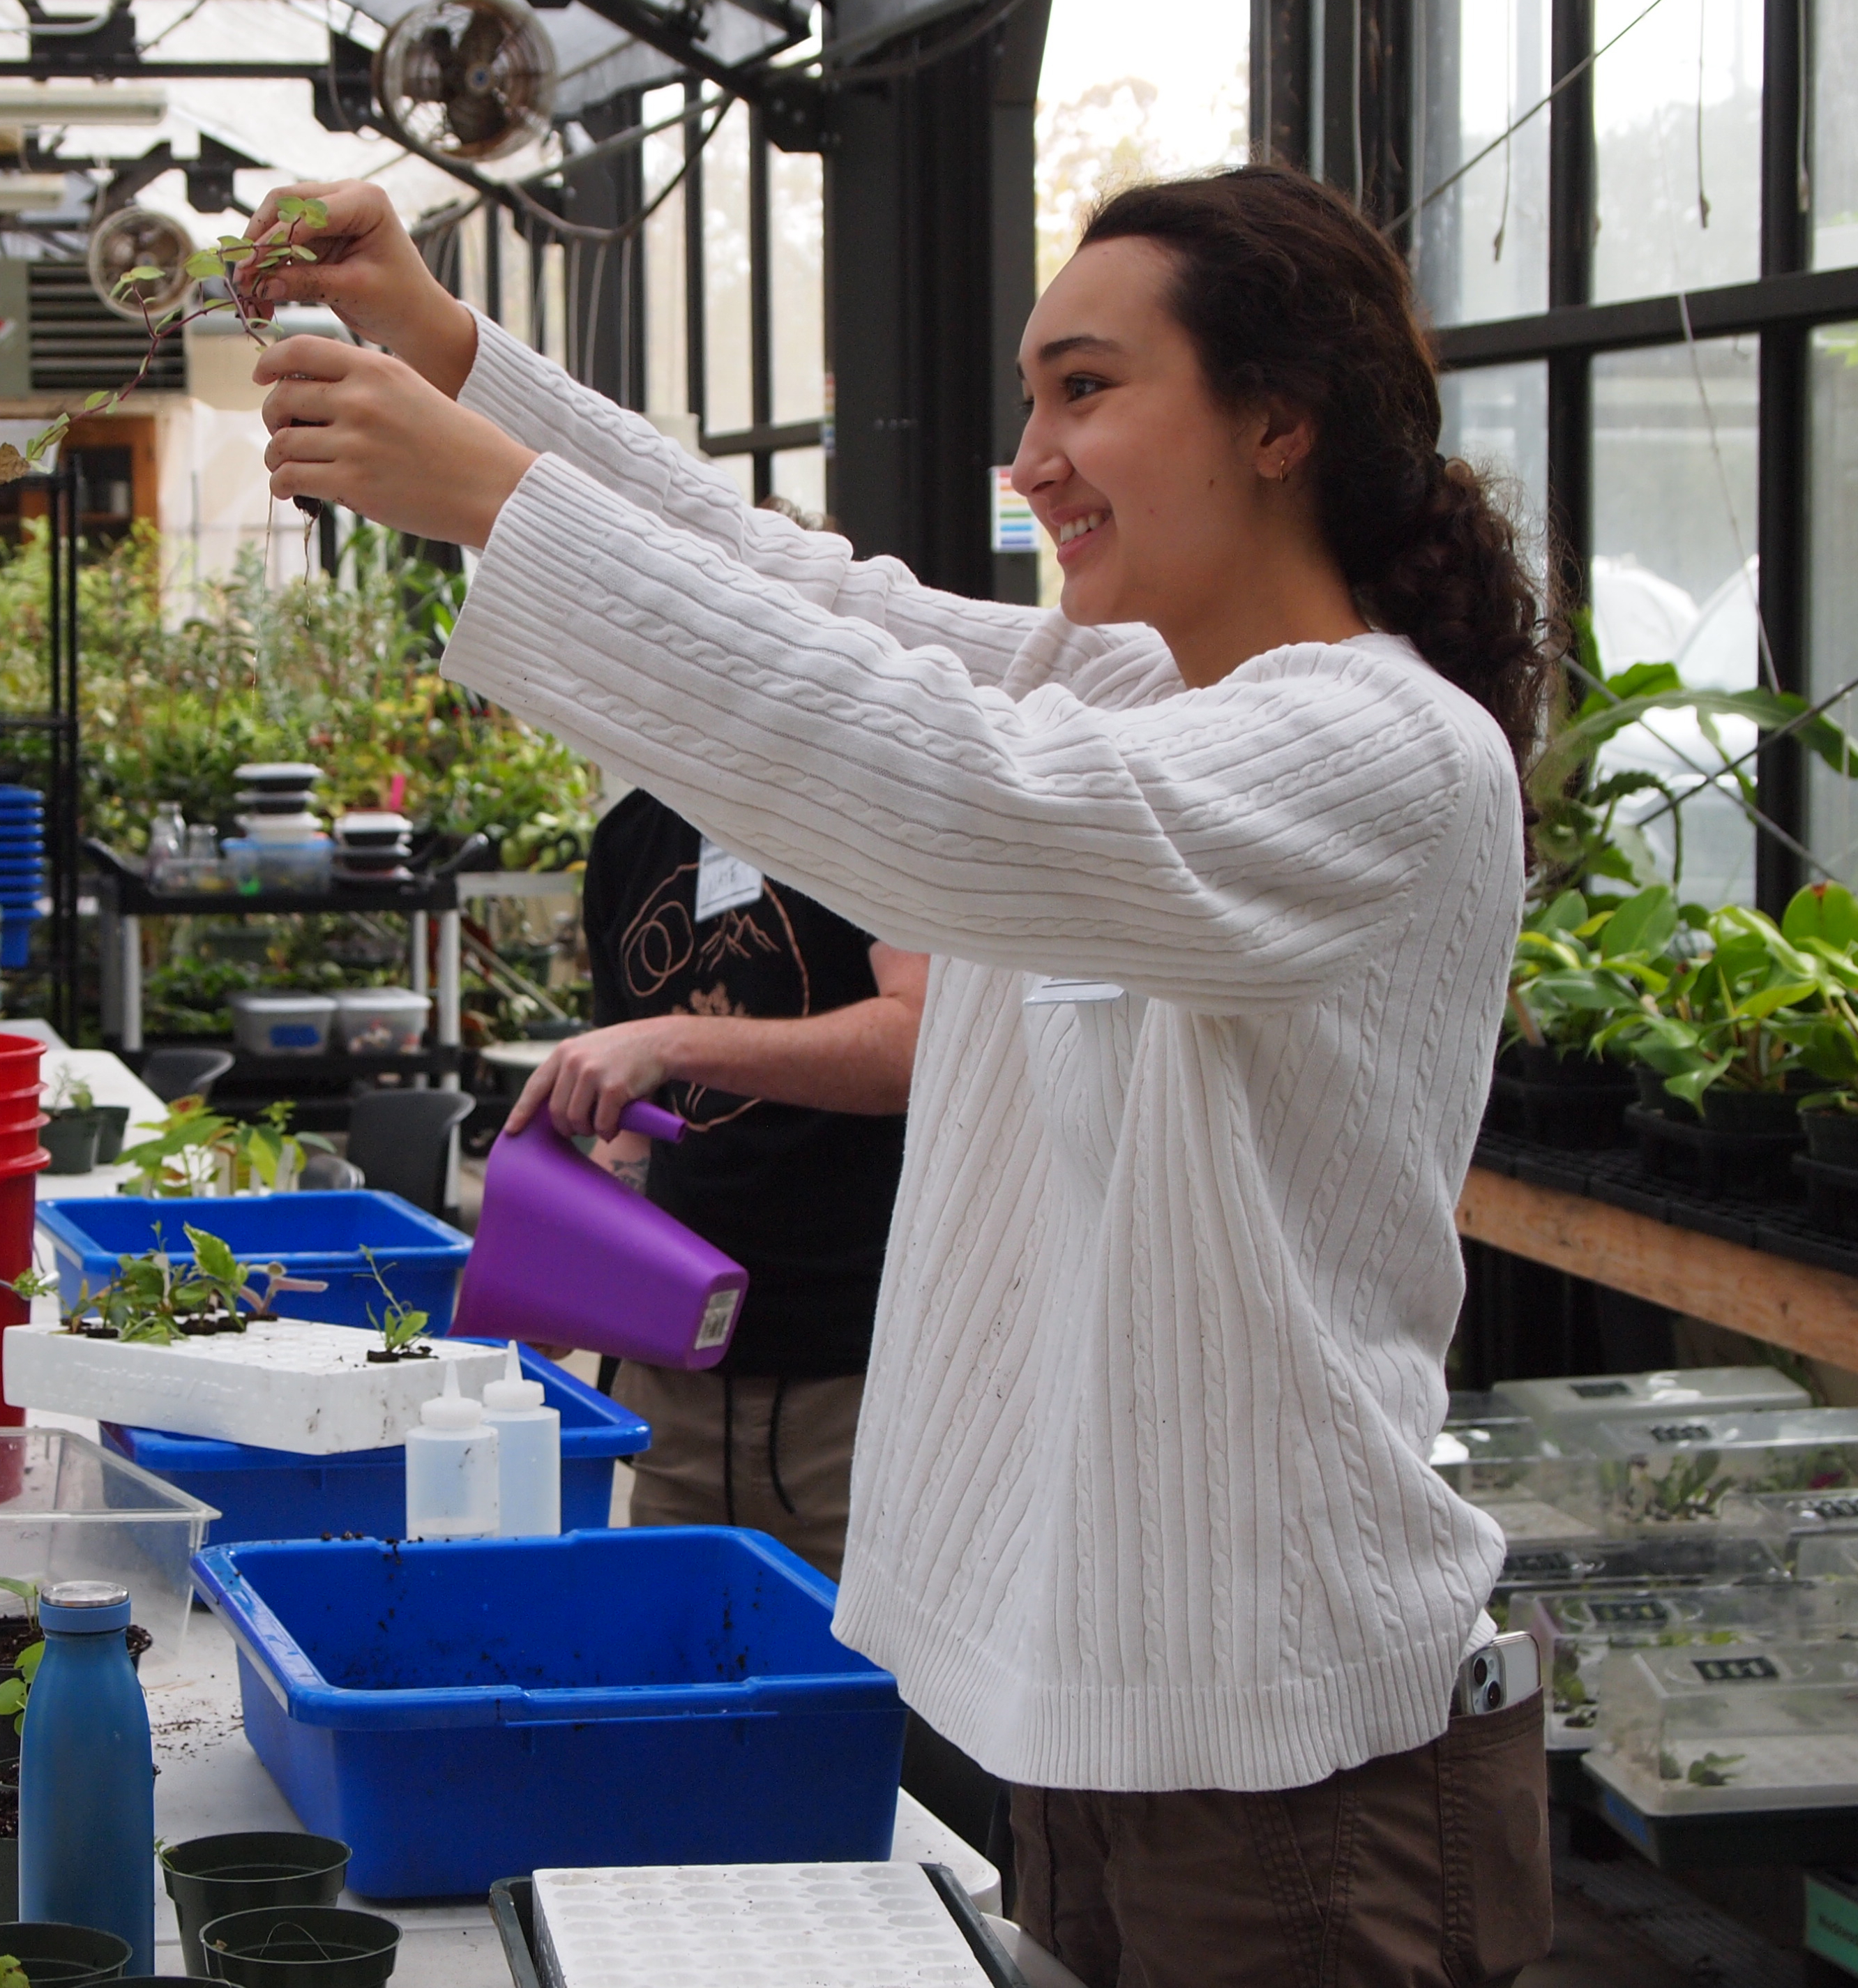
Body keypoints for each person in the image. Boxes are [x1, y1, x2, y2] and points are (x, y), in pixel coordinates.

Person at [239, 163, 1560, 1987]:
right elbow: (811, 600)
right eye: (1031, 397)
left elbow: (951, 794)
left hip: (1298, 1776)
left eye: (1088, 389)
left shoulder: (1381, 753)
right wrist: (456, 357)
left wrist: (495, 499)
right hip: (1122, 1724)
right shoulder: (1140, 690)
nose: (1033, 456)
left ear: (1279, 417)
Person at [535, 783, 926, 1579]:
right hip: (676, 1379)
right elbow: (631, 1131)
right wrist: (565, 1281)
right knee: (676, 1670)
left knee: (860, 1688)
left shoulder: (855, 799)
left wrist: (678, 1041)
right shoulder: (628, 840)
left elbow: (924, 1037)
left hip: (856, 1380)